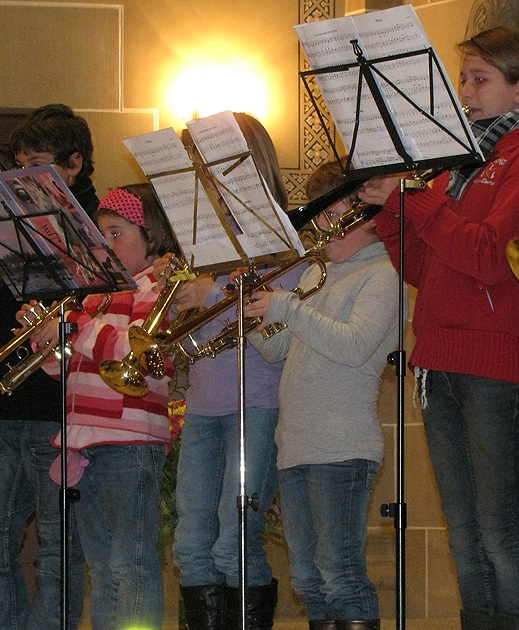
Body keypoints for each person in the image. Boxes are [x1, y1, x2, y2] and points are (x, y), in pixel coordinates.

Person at [358, 26, 519, 630]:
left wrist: (415, 201)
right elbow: (424, 269)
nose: (466, 92)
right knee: (465, 533)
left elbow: (489, 258)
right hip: (439, 357)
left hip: (494, 362)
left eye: (480, 79)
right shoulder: (463, 164)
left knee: (501, 528)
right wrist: (392, 211)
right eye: (463, 80)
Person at [0, 103, 100, 630]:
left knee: (58, 551)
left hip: (62, 410)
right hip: (0, 406)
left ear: (73, 165)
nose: (21, 178)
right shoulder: (4, 223)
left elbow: (98, 304)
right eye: (19, 165)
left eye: (36, 165)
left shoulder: (98, 225)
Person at [245, 158, 399, 630]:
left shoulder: (383, 275)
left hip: (342, 446)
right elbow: (278, 349)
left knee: (341, 574)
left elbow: (353, 346)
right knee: (309, 579)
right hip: (297, 446)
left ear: (366, 216)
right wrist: (250, 316)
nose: (320, 226)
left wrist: (288, 308)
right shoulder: (317, 276)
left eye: (329, 214)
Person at [19, 183, 177, 630]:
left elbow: (137, 352)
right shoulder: (93, 298)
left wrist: (75, 325)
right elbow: (67, 371)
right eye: (99, 235)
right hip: (83, 440)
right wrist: (46, 340)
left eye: (116, 233)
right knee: (102, 569)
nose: (104, 245)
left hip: (130, 440)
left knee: (131, 564)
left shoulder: (155, 289)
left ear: (151, 237)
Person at [170, 112, 299, 630]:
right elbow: (202, 334)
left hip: (257, 401)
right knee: (191, 546)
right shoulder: (203, 240)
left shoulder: (281, 236)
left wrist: (212, 292)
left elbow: (278, 316)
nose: (203, 179)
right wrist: (180, 302)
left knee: (234, 543)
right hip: (204, 404)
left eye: (209, 165)